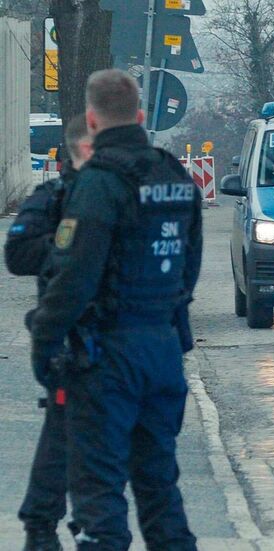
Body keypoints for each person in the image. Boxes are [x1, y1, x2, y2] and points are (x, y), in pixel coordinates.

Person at [29, 69, 202, 550]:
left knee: (98, 496)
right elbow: (189, 269)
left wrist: (45, 345)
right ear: (142, 115)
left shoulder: (100, 183)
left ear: (91, 118)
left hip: (106, 357)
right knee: (159, 488)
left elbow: (73, 279)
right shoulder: (173, 173)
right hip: (163, 350)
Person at [5, 116, 93, 551]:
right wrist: (68, 241)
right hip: (67, 335)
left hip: (117, 335)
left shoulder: (121, 194)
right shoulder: (54, 197)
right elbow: (17, 255)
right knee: (62, 438)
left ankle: (91, 526)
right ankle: (42, 527)